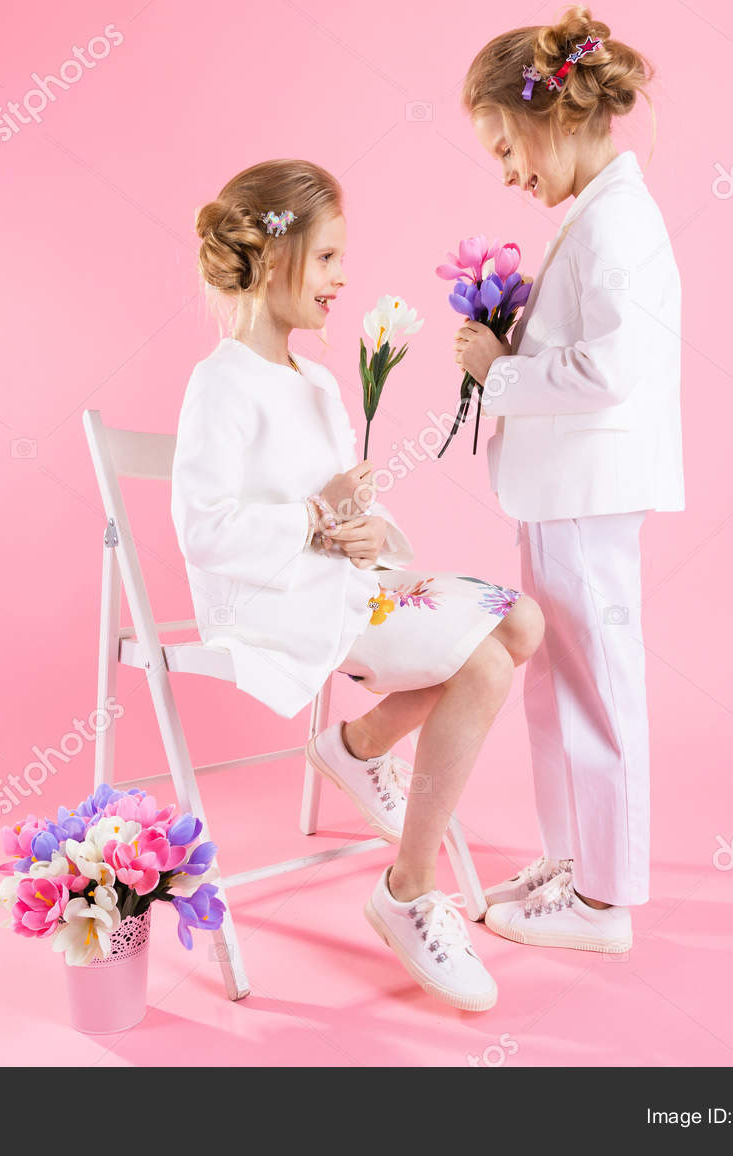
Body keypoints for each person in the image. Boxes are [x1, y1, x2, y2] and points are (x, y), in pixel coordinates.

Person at [172, 158, 545, 1010]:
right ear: (273, 258)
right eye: (329, 258)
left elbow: (345, 512)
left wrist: (370, 530)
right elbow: (204, 529)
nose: (343, 278)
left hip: (340, 580)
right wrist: (311, 518)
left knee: (521, 621)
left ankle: (360, 744)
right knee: (486, 665)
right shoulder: (221, 382)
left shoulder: (321, 383)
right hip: (273, 600)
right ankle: (408, 892)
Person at [453, 7, 684, 953]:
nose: (509, 172)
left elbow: (610, 369)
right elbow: (581, 350)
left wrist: (495, 373)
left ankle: (604, 900)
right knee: (557, 683)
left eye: (508, 145)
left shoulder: (616, 222)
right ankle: (572, 860)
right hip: (561, 492)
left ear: (556, 114)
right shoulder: (594, 217)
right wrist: (511, 344)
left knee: (597, 687)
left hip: (588, 493)